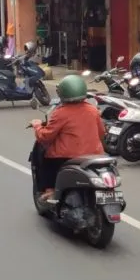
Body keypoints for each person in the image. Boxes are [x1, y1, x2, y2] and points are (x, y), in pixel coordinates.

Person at [31, 74, 105, 203]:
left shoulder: (61, 113)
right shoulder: (93, 110)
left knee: (46, 158)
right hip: (94, 155)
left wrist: (37, 125)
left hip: (67, 157)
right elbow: (101, 132)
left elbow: (45, 137)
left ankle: (50, 191)